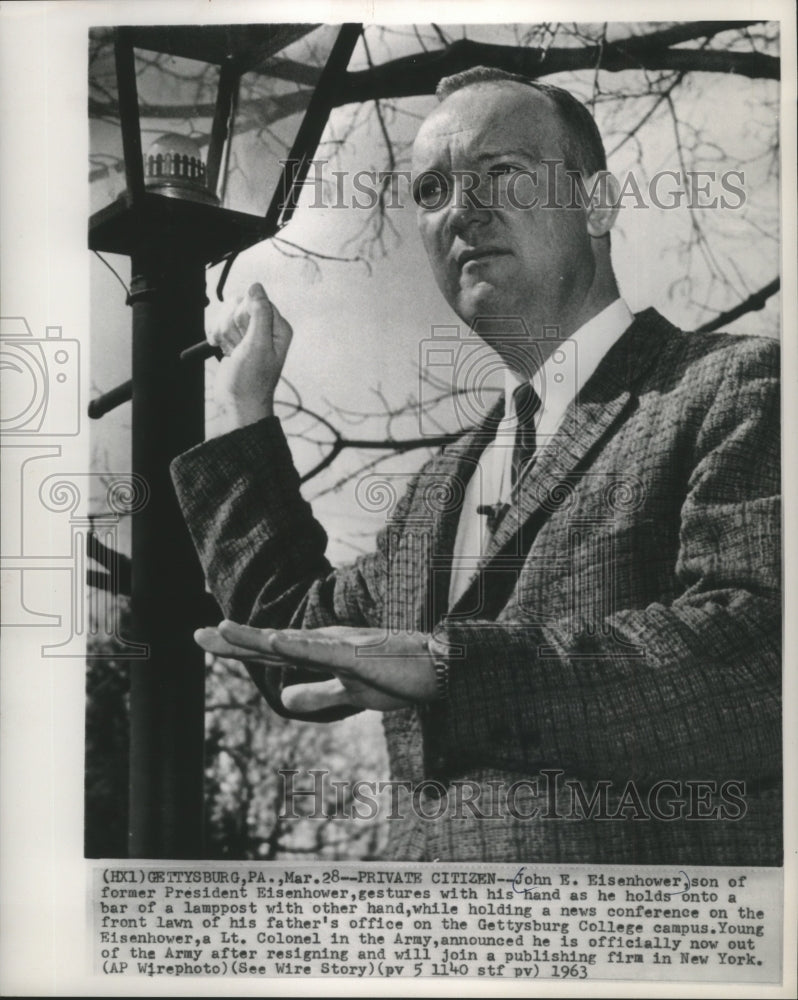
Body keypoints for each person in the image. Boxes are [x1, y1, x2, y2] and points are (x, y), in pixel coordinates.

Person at [171, 67, 781, 864]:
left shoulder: (734, 391)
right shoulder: (437, 489)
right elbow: (290, 645)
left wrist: (452, 668)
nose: (464, 209)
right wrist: (247, 405)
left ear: (597, 202)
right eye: (432, 190)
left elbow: (757, 660)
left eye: (503, 174)